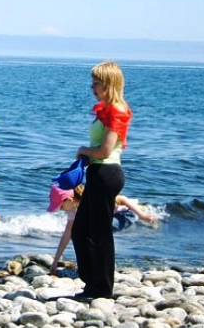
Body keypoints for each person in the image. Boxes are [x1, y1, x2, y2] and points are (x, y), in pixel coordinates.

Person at [71, 60, 133, 300]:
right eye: (92, 82)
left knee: (100, 233)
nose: (92, 87)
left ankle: (102, 287)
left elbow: (105, 150)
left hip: (106, 173)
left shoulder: (116, 110)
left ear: (109, 84)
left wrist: (84, 150)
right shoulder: (106, 109)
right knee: (81, 230)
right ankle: (93, 281)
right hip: (99, 172)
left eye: (96, 83)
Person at [48, 184, 156, 275]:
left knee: (92, 227)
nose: (60, 209)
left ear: (70, 200)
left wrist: (142, 215)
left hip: (124, 214)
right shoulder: (72, 209)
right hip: (105, 218)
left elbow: (122, 199)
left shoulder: (94, 199)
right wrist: (56, 260)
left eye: (61, 206)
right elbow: (67, 233)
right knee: (79, 230)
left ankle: (143, 210)